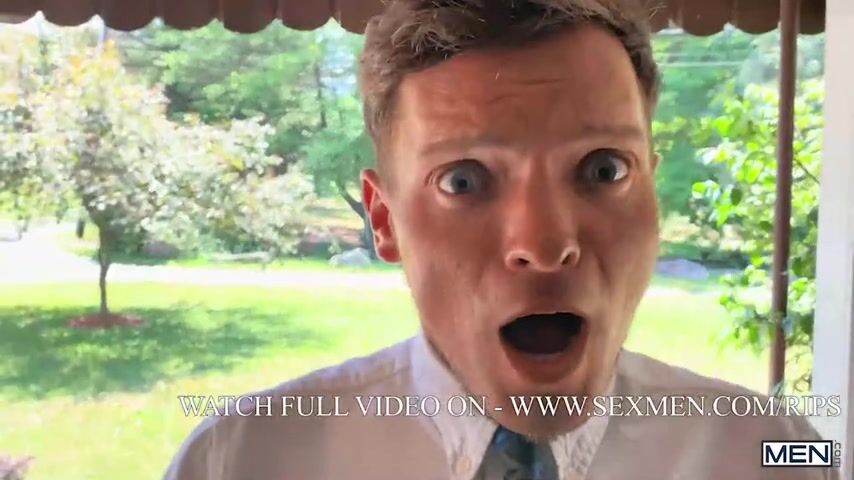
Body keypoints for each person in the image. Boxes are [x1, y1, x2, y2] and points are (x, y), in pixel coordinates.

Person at [163, 1, 837, 479]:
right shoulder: (239, 462)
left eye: (604, 169)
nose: (544, 244)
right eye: (463, 180)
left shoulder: (775, 458)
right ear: (385, 221)